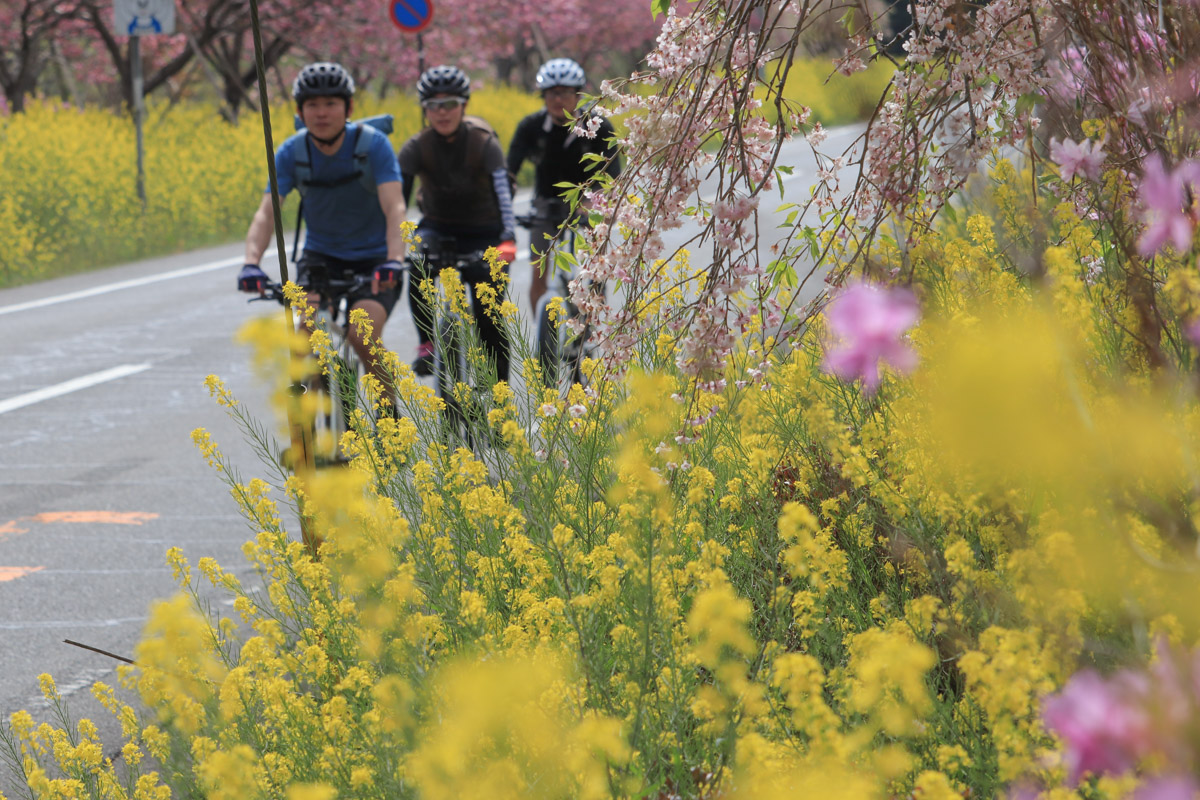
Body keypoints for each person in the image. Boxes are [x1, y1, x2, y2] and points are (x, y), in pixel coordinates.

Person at [238, 61, 407, 398]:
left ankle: (391, 425)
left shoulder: (373, 146)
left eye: (331, 103)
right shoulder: (291, 152)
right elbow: (266, 213)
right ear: (300, 111)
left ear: (349, 108)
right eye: (312, 105)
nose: (322, 113)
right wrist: (251, 262)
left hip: (375, 262)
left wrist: (394, 259)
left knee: (363, 336)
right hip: (320, 260)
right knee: (305, 341)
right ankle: (311, 440)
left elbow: (395, 207)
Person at [398, 65, 517, 383]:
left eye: (450, 104)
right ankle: (427, 343)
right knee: (417, 262)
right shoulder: (416, 146)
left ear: (463, 105)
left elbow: (503, 194)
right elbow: (398, 201)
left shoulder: (483, 142)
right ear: (424, 109)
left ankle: (498, 391)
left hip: (486, 232)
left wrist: (507, 238)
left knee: (487, 316)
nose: (442, 112)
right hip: (439, 228)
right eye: (433, 105)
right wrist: (390, 246)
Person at [506, 57, 621, 310]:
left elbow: (612, 176)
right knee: (538, 268)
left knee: (596, 261)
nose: (558, 99)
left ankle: (592, 316)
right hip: (545, 203)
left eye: (566, 93)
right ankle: (541, 334)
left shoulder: (599, 126)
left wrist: (595, 204)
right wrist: (503, 204)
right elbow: (509, 173)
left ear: (578, 94)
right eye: (551, 93)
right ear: (543, 96)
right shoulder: (530, 127)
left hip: (589, 201)